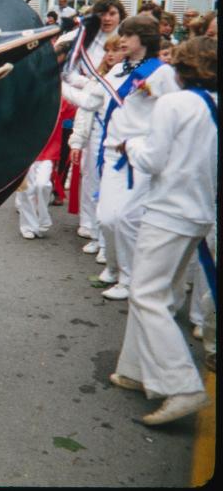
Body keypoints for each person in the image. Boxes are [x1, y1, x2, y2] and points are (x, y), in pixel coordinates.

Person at [110, 35, 216, 425]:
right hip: (198, 211)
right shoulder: (213, 105)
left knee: (147, 295)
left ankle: (181, 384)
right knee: (163, 294)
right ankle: (137, 370)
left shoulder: (174, 103)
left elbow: (152, 161)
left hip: (169, 210)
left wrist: (130, 146)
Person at [95, 15, 180, 300]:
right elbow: (93, 98)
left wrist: (155, 144)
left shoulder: (161, 73)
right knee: (106, 219)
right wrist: (61, 85)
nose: (122, 39)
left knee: (126, 218)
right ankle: (114, 266)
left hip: (139, 156)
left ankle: (129, 279)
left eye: (128, 35)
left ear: (143, 38)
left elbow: (174, 112)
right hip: (111, 151)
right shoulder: (118, 69)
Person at [65, 34, 126, 266]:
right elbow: (84, 110)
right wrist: (78, 141)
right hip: (95, 141)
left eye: (116, 50)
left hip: (114, 143)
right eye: (108, 50)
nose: (110, 54)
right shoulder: (99, 78)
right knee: (91, 186)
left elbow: (85, 100)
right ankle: (93, 231)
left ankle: (105, 242)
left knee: (107, 191)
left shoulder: (123, 79)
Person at [16, 95, 75, 239]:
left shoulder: (61, 97)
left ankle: (43, 218)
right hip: (26, 150)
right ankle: (27, 225)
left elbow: (77, 109)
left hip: (49, 151)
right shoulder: (25, 94)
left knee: (42, 185)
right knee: (26, 189)